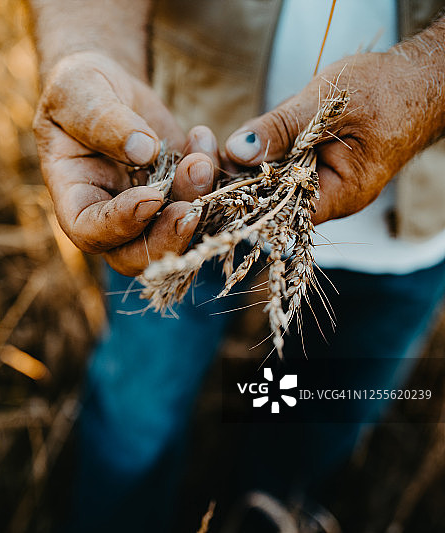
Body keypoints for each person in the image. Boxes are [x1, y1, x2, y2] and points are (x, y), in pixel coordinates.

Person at [29, 0, 445, 531]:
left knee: (309, 430)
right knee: (138, 413)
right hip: (180, 189)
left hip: (413, 230)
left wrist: (428, 86)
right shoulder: (163, 181)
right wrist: (88, 48)